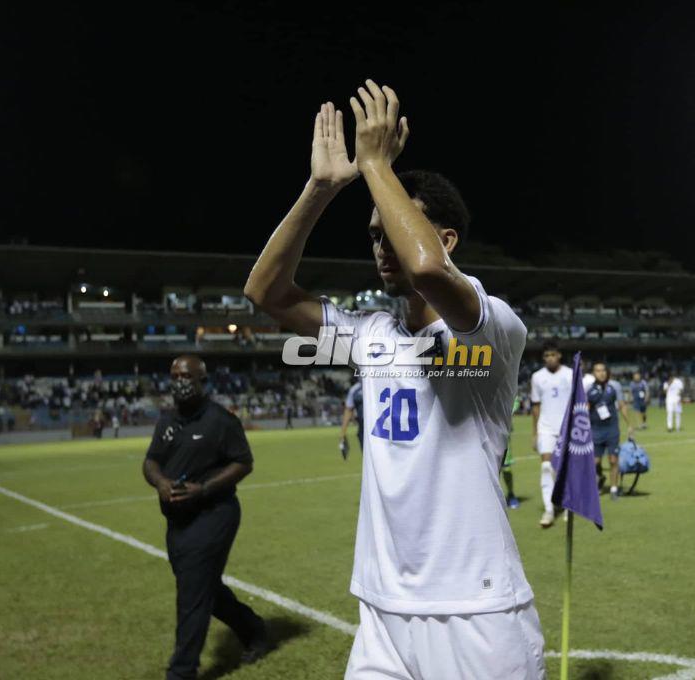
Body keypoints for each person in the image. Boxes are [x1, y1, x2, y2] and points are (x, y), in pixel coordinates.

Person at [243, 83, 544, 679]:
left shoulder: (491, 329)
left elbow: (429, 268)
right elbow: (265, 293)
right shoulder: (370, 335)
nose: (382, 246)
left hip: (477, 611)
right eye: (375, 234)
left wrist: (377, 163)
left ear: (447, 238)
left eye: (395, 230)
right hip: (383, 609)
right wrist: (320, 189)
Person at [142, 356, 268, 679]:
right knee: (203, 590)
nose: (179, 381)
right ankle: (254, 630)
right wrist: (160, 482)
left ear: (202, 380)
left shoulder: (221, 421)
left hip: (214, 514)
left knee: (192, 594)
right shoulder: (167, 420)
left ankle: (182, 671)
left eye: (186, 376)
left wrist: (204, 489)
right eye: (174, 376)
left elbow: (244, 462)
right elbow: (151, 461)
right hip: (177, 522)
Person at [530, 340, 573, 528]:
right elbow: (536, 406)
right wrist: (535, 433)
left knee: (564, 469)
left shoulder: (570, 374)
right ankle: (549, 509)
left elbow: (577, 403)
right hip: (545, 428)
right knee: (547, 467)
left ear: (559, 355)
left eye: (553, 355)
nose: (550, 358)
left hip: (567, 429)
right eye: (546, 356)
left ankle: (568, 505)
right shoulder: (537, 377)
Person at [586, 362, 632, 500]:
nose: (601, 373)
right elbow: (585, 409)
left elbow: (622, 405)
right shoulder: (589, 389)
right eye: (597, 370)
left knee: (613, 460)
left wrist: (629, 424)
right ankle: (600, 477)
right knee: (595, 462)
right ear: (593, 373)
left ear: (607, 372)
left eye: (603, 370)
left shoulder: (615, 386)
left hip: (612, 429)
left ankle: (613, 489)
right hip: (595, 430)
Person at [500, 393, 521, 509]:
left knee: (506, 468)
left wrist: (505, 411)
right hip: (479, 430)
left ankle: (511, 494)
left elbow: (515, 400)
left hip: (502, 432)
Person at [339, 380, 363, 459]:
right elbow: (348, 410)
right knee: (367, 459)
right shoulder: (354, 389)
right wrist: (343, 432)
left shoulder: (378, 385)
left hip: (380, 431)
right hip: (362, 431)